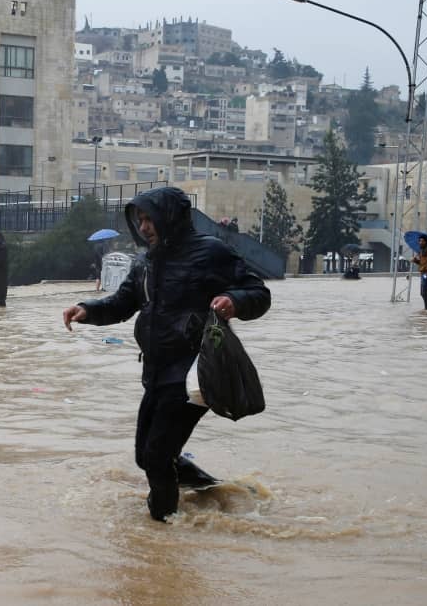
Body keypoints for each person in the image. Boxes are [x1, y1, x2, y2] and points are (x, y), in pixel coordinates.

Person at [61, 186, 270, 523]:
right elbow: (122, 303)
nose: (143, 227)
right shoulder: (146, 262)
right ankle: (216, 491)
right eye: (139, 220)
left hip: (193, 374)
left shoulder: (210, 252)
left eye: (150, 219)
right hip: (156, 373)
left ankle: (163, 527)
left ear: (170, 217)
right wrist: (87, 310)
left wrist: (234, 301)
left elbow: (258, 292)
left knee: (157, 456)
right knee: (146, 456)